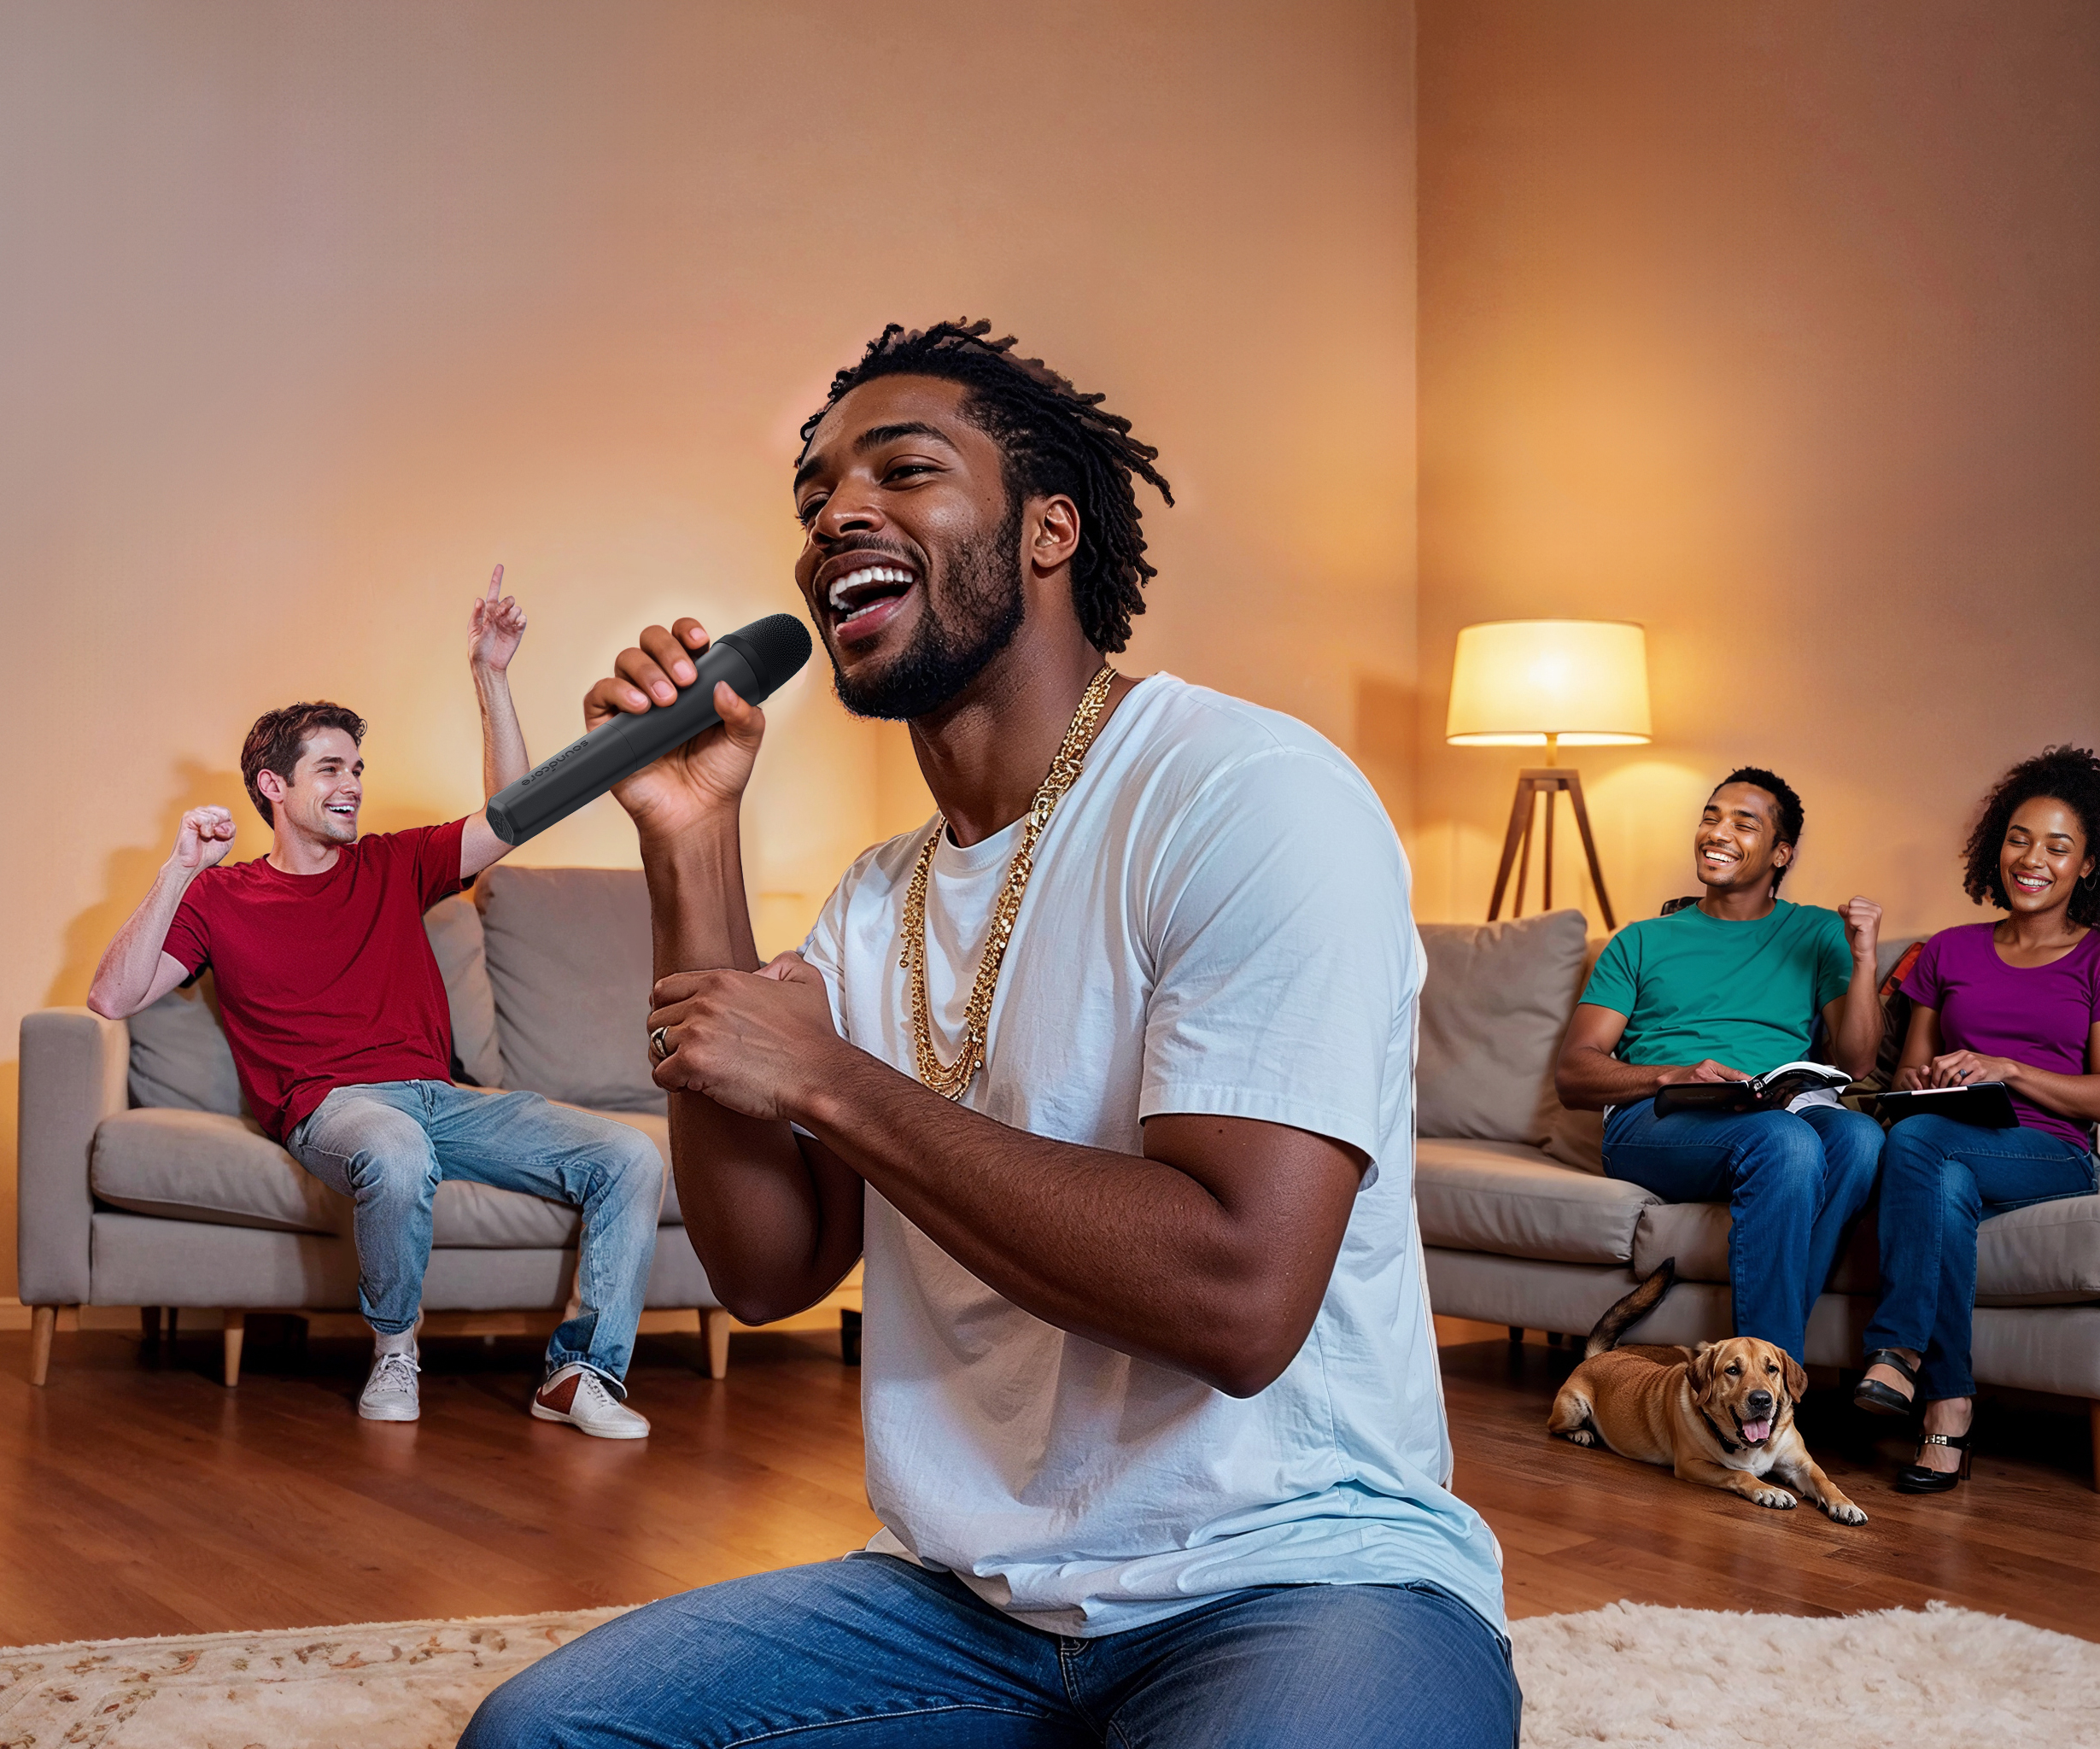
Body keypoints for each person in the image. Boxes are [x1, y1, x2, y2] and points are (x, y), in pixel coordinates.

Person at [465, 322, 1514, 1749]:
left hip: (1299, 1578)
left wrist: (831, 1078)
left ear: (1047, 530)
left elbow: (1239, 1297)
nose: (839, 513)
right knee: (548, 1734)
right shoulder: (873, 902)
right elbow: (769, 1268)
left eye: (905, 469)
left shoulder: (1245, 794)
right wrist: (691, 839)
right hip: (968, 1604)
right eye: (817, 496)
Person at [85, 570, 664, 1436]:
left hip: (443, 1100)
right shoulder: (222, 896)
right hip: (331, 1108)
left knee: (628, 1153)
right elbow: (111, 994)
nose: (352, 782)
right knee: (392, 1147)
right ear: (271, 785)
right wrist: (177, 869)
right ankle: (396, 1349)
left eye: (357, 766)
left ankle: (578, 1374)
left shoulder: (394, 863)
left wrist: (491, 676)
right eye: (330, 769)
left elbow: (519, 813)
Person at [1551, 769, 1886, 1358]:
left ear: (1781, 853)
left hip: (1771, 1109)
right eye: (1710, 816)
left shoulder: (1812, 933)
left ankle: (1758, 1372)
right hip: (1655, 1118)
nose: (1717, 831)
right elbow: (1573, 1074)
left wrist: (1862, 960)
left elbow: (1857, 1059)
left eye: (1742, 822)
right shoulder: (1640, 941)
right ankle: (1768, 1392)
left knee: (1859, 1137)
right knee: (1785, 1142)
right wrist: (1667, 1074)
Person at [1854, 746, 2100, 1493]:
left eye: (2058, 847)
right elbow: (1902, 1083)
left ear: (2086, 866)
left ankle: (1896, 1351)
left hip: (2050, 1150)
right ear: (1996, 845)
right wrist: (1931, 1077)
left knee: (1923, 1148)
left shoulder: (2093, 959)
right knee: (1938, 1176)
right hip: (1952, 1142)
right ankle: (1947, 1414)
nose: (2032, 859)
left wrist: (2011, 1069)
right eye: (2019, 838)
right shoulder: (1949, 951)